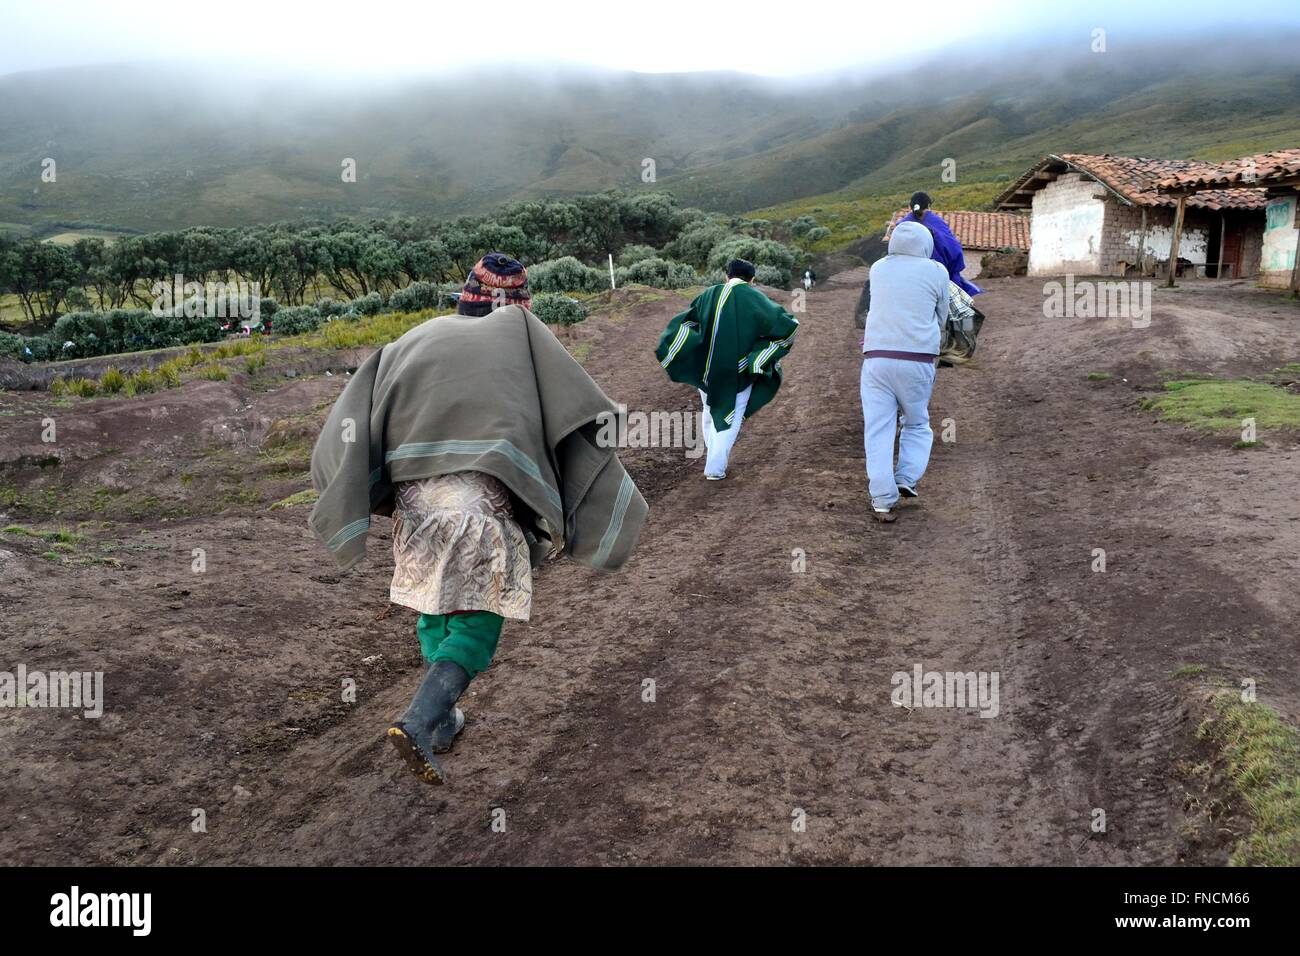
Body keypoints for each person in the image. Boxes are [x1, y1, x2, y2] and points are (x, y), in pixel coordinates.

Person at [309, 253, 647, 785]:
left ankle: (442, 721)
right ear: (523, 305)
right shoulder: (523, 337)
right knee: (480, 616)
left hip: (415, 508)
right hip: (481, 507)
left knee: (433, 602)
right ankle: (418, 722)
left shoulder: (412, 340)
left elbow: (351, 418)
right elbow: (582, 411)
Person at [655, 258, 798, 480]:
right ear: (752, 279)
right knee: (729, 417)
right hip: (737, 371)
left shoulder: (708, 294)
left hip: (706, 371)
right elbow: (787, 327)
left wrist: (687, 354)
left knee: (710, 412)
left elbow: (687, 323)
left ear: (727, 275)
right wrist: (758, 358)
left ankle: (713, 459)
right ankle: (714, 468)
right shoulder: (754, 297)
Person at [860, 221, 948, 523]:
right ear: (926, 244)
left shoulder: (878, 268)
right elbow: (942, 316)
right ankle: (906, 478)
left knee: (877, 429)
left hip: (876, 358)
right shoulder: (937, 272)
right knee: (916, 422)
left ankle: (882, 500)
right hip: (917, 359)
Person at [907, 192, 982, 298]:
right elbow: (954, 250)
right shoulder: (937, 222)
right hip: (937, 276)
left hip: (909, 278)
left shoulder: (902, 225)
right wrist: (954, 267)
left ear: (909, 207)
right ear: (929, 206)